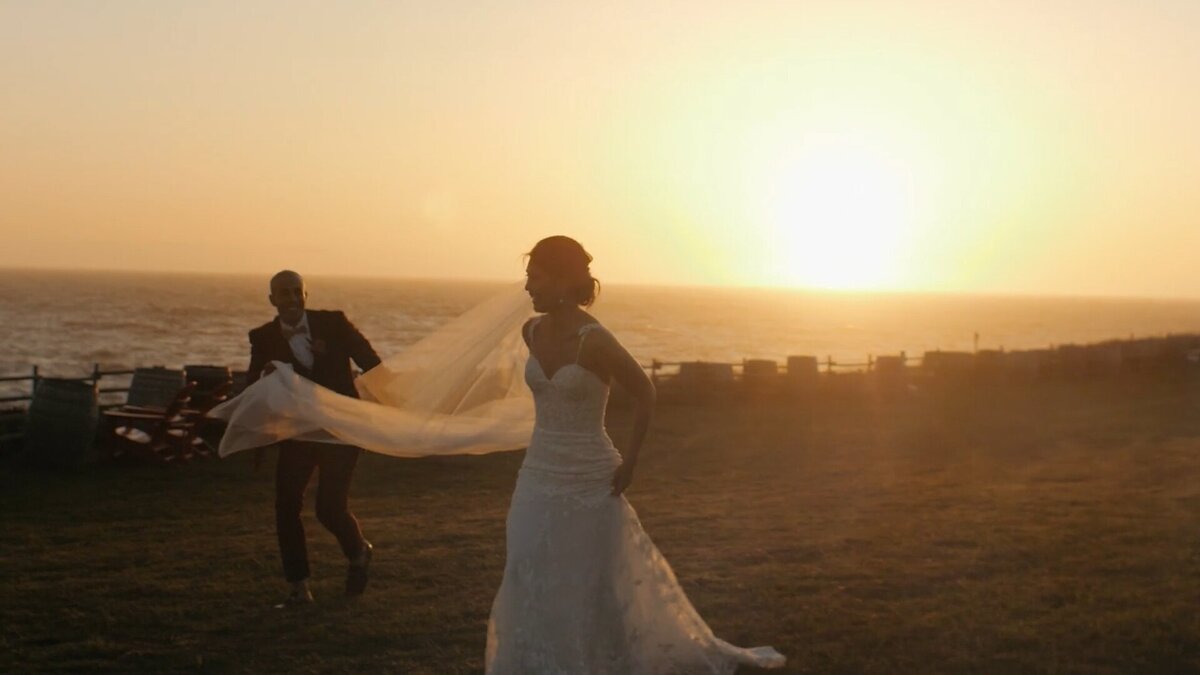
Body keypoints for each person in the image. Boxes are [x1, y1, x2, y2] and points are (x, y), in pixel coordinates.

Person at [485, 236, 784, 673]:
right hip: (537, 474)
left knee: (591, 580)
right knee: (530, 568)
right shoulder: (530, 332)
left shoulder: (595, 340)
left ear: (564, 280)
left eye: (536, 278)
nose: (527, 288)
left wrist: (631, 460)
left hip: (591, 476)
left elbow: (645, 393)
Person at [247, 270, 382, 607]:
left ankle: (358, 552)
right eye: (283, 293)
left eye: (297, 292)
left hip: (340, 431)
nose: (291, 299)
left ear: (306, 295)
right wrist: (264, 381)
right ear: (272, 300)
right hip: (297, 433)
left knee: (329, 508)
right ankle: (298, 587)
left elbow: (373, 365)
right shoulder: (262, 337)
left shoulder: (334, 324)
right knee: (286, 505)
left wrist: (377, 410)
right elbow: (251, 388)